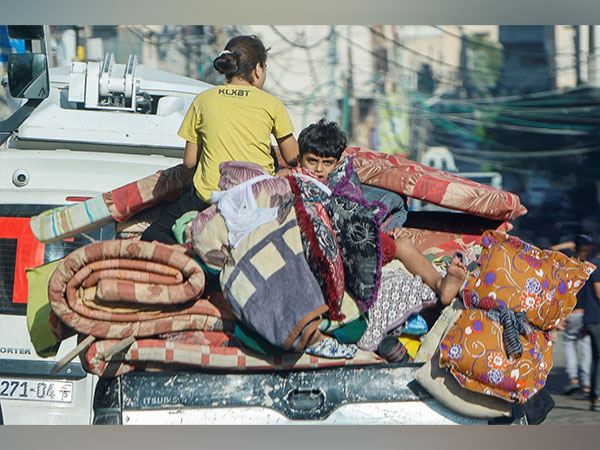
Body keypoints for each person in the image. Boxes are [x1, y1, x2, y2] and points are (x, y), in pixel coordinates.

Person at [289, 118, 467, 307]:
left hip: (352, 245)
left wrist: (385, 230)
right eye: (312, 161)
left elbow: (361, 216)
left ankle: (440, 285)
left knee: (402, 245)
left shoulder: (345, 184)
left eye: (327, 163)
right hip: (315, 245)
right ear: (300, 160)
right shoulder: (292, 183)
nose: (318, 169)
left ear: (338, 163)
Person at [141, 35, 299, 244]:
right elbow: (293, 156)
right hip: (255, 200)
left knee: (152, 234)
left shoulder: (203, 100)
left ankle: (189, 256)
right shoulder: (272, 104)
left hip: (208, 197)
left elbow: (189, 162)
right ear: (258, 69)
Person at [556, 234, 593, 395]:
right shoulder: (590, 267)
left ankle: (573, 379)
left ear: (574, 248)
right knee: (586, 347)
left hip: (569, 313)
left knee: (569, 345)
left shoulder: (567, 266)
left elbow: (551, 250)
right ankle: (586, 383)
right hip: (586, 313)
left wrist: (558, 317)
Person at [583, 241, 600, 411]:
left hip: (591, 317)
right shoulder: (598, 265)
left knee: (596, 358)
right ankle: (597, 396)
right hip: (597, 318)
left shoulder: (592, 264)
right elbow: (599, 292)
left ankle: (594, 394)